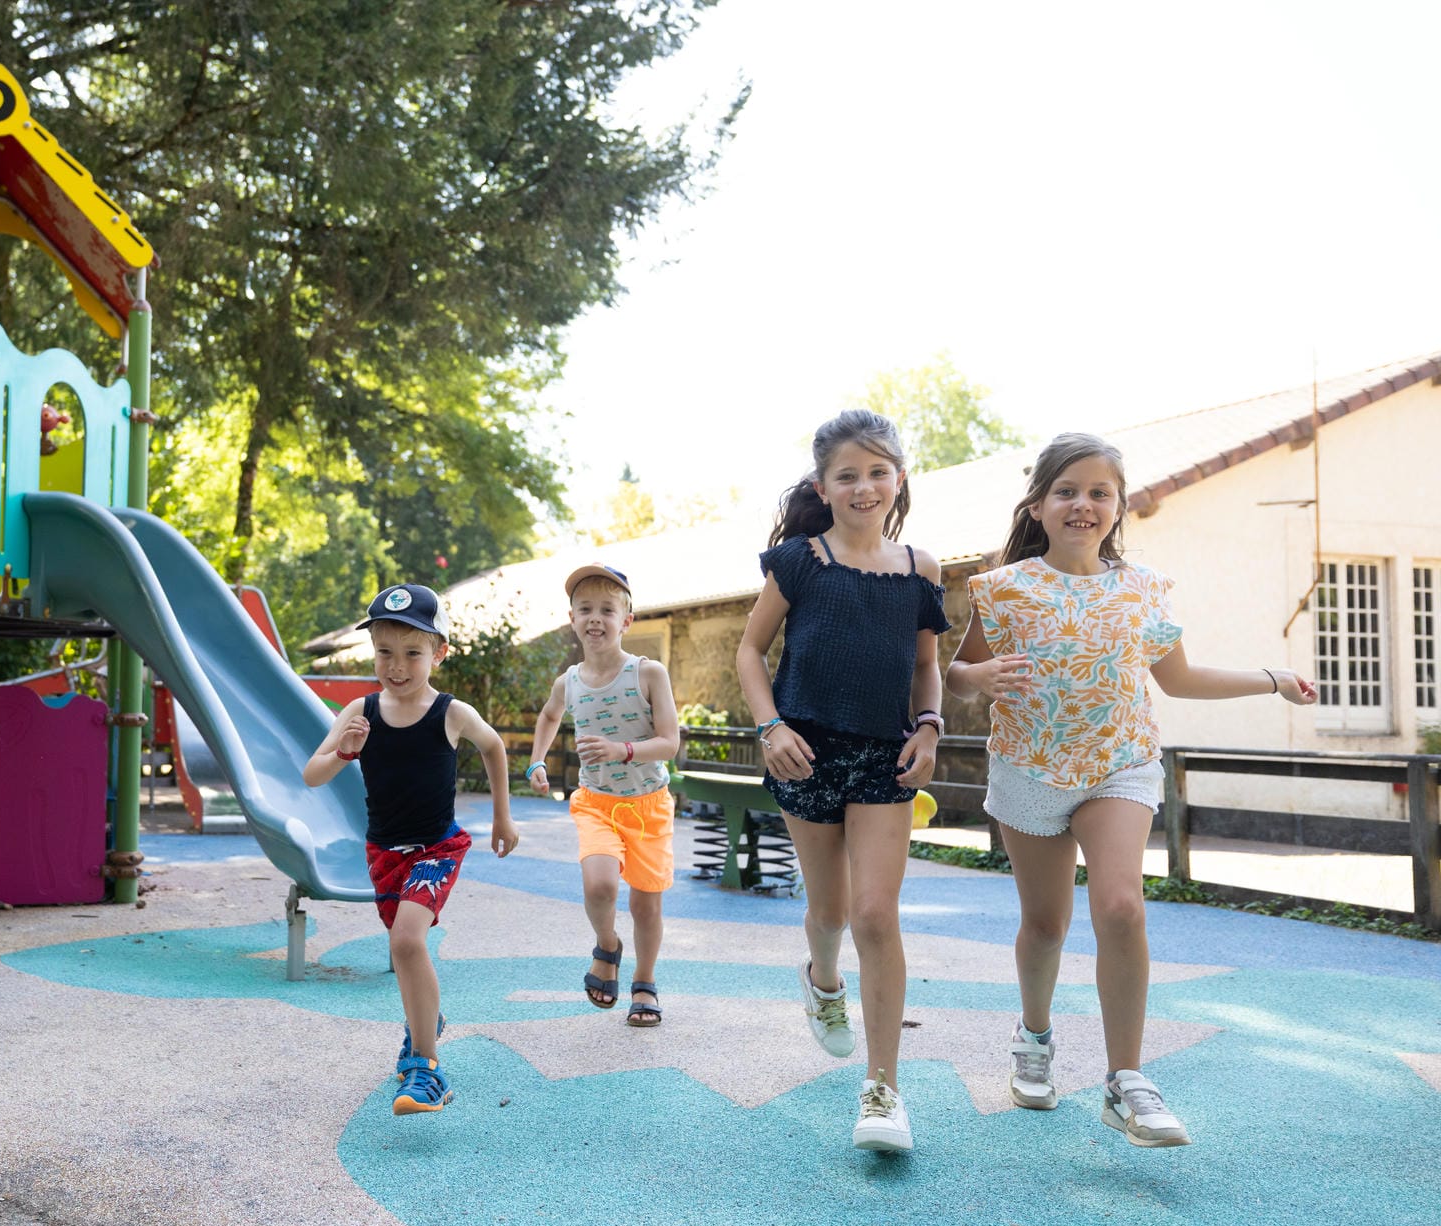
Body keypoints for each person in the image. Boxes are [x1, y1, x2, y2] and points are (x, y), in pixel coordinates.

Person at [948, 432, 1317, 1148]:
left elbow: (1178, 678)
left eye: (1099, 492)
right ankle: (1034, 1036)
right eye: (1067, 491)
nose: (1083, 504)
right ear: (1039, 504)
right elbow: (960, 671)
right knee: (1047, 924)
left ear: (1119, 506)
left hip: (1119, 763)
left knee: (1120, 905)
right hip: (1029, 766)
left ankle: (1126, 1080)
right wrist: (974, 680)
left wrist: (1272, 678)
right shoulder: (1002, 587)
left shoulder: (1142, 588)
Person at [734, 409, 949, 1153]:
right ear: (824, 487)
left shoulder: (922, 569)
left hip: (885, 757)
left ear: (898, 479)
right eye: (848, 474)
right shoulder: (798, 560)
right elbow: (750, 652)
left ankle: (883, 1088)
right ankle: (823, 979)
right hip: (804, 749)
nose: (865, 486)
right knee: (827, 911)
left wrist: (929, 725)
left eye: (878, 471)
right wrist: (771, 727)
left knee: (875, 915)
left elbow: (927, 665)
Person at [304, 583, 521, 1115]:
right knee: (407, 953)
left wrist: (502, 816)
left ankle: (426, 1069)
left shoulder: (449, 713)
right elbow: (313, 774)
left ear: (439, 653)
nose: (396, 666)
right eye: (384, 653)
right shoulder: (362, 709)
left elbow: (493, 747)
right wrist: (344, 753)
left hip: (437, 847)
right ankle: (426, 1020)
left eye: (412, 653)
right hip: (384, 853)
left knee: (405, 942)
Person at [526, 563, 681, 1027]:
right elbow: (550, 716)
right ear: (571, 618)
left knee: (645, 904)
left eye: (607, 610)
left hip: (649, 805)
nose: (595, 618)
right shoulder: (568, 681)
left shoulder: (648, 673)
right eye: (585, 609)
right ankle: (607, 946)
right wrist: (537, 759)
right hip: (596, 803)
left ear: (626, 620)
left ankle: (645, 982)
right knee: (599, 885)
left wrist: (621, 749)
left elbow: (670, 743)